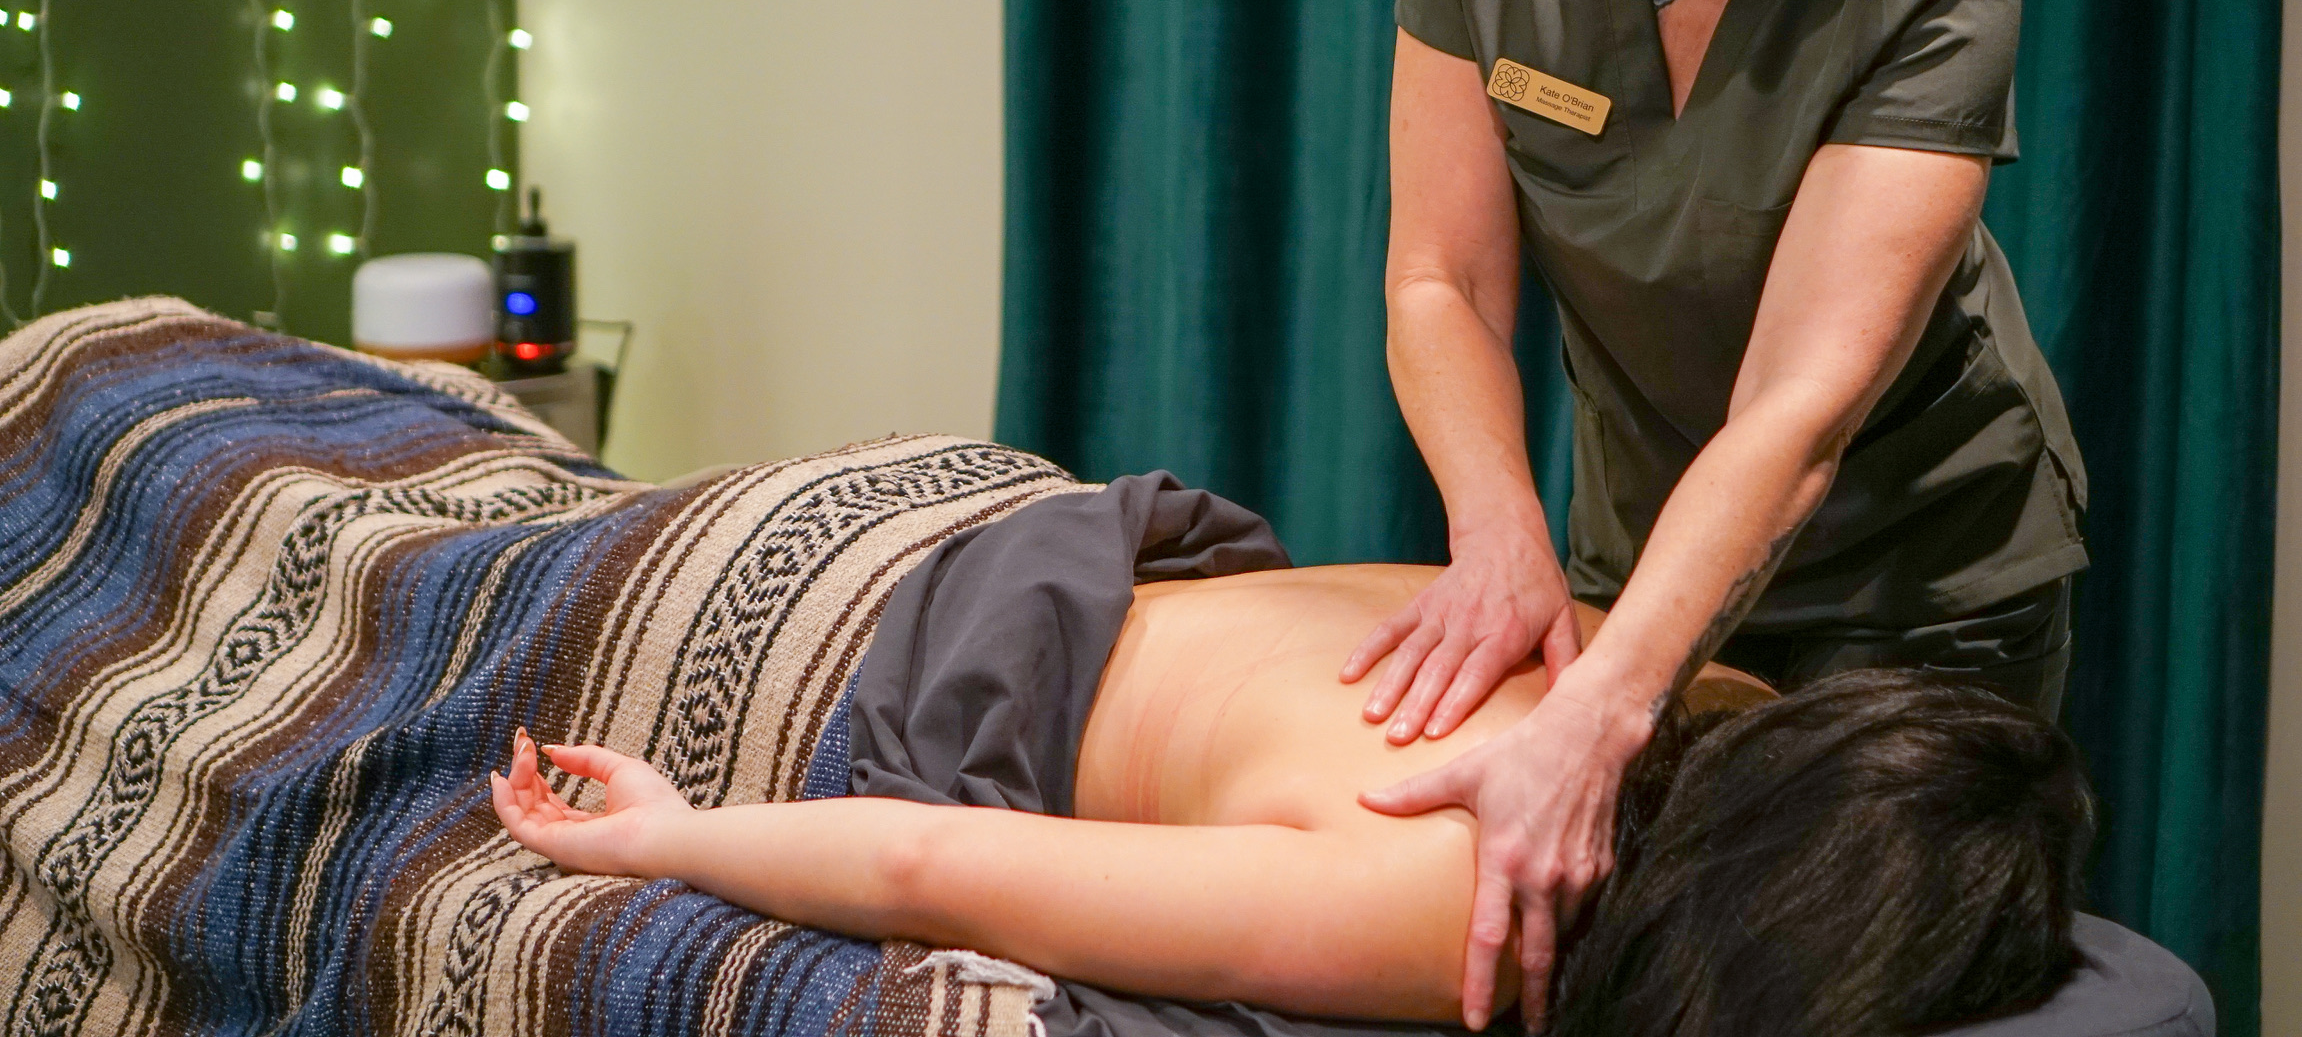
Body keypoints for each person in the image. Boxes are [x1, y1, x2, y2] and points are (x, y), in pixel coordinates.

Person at [1346, 0, 2089, 1024]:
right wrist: (1499, 535)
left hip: (1918, 586)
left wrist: (1601, 716)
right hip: (1637, 551)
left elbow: (1795, 410)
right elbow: (1441, 281)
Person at [491, 563, 2095, 1035]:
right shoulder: (1468, 894)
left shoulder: (1676, 688)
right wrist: (667, 835)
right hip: (845, 642)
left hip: (996, 518)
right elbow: (924, 864)